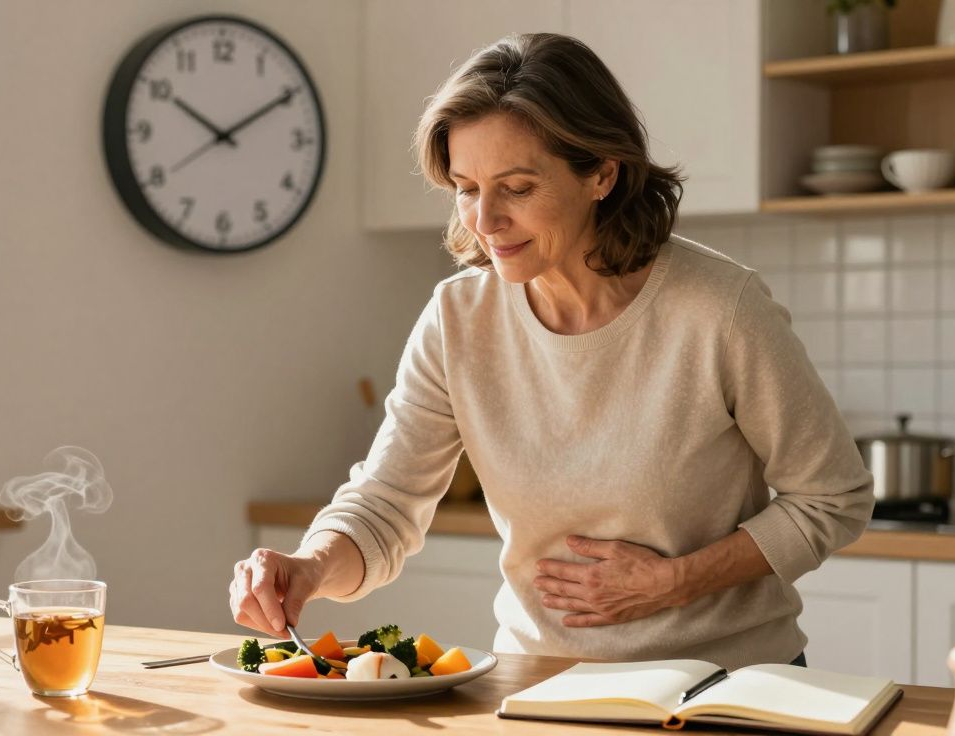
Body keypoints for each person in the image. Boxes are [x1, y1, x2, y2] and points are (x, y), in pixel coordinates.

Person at [228, 33, 873, 671]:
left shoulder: (720, 309)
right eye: (465, 187)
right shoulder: (458, 319)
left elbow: (832, 497)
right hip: (536, 683)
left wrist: (677, 581)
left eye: (516, 187)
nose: (484, 220)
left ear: (602, 174)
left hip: (727, 685)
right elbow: (387, 501)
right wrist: (309, 568)